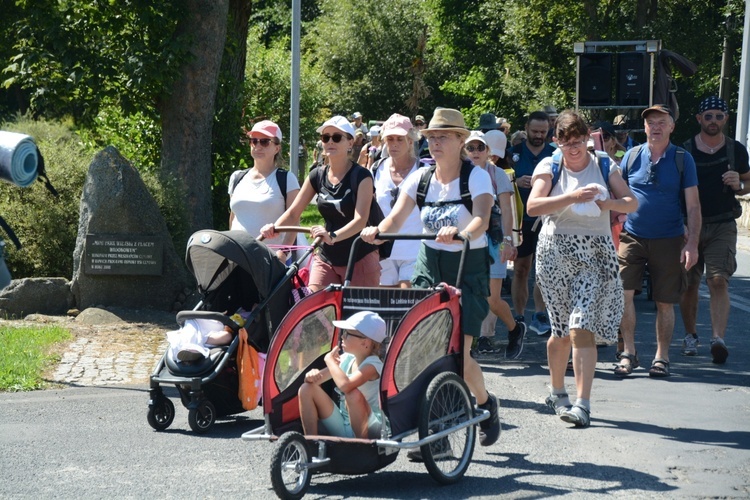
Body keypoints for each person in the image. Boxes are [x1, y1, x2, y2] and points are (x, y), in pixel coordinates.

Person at [361, 107, 501, 447]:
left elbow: (481, 218)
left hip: (468, 265)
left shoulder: (475, 176)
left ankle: (485, 403)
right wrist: (376, 232)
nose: (435, 143)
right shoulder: (421, 179)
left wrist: (463, 230)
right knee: (423, 348)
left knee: (460, 357)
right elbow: (395, 219)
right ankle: (434, 427)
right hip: (429, 264)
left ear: (460, 141)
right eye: (432, 137)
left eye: (443, 137)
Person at [527, 110, 638, 428]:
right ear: (556, 141)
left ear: (587, 138)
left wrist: (609, 203)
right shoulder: (550, 165)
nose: (574, 149)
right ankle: (556, 390)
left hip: (595, 257)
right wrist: (571, 196)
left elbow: (631, 202)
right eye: (567, 143)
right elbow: (534, 206)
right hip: (554, 257)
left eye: (578, 142)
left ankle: (583, 403)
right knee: (560, 332)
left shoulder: (603, 163)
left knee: (580, 327)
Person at [615, 105, 701, 378]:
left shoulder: (682, 159)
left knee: (665, 301)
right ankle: (629, 352)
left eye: (662, 122)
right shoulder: (630, 156)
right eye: (651, 122)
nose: (656, 127)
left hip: (669, 238)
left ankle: (661, 357)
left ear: (672, 127)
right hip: (632, 235)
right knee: (623, 294)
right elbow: (616, 198)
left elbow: (694, 206)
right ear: (645, 127)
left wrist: (692, 244)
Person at [260, 116, 380, 291]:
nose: (330, 141)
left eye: (336, 137)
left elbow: (360, 220)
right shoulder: (317, 175)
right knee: (315, 311)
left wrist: (332, 236)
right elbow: (294, 212)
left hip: (359, 256)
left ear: (350, 142)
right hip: (327, 257)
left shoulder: (362, 176)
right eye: (325, 137)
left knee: (359, 315)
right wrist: (273, 227)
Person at [679, 96, 750, 363]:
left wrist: (739, 186)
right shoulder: (685, 151)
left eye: (718, 116)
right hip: (689, 225)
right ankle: (690, 335)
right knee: (690, 283)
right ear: (699, 119)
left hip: (722, 223)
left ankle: (718, 338)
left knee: (718, 279)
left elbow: (747, 181)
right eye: (708, 116)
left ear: (726, 119)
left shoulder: (736, 150)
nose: (713, 121)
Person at [464, 131, 526, 359]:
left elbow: (507, 209)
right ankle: (468, 344)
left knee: (492, 298)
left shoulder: (497, 173)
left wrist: (509, 241)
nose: (476, 152)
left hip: (494, 240)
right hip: (468, 239)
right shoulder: (460, 173)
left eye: (480, 147)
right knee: (464, 294)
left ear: (488, 151)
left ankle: (514, 328)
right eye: (471, 148)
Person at [298, 311, 386, 438]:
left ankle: (363, 450)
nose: (342, 337)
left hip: (371, 429)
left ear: (365, 343)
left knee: (353, 395)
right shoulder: (348, 358)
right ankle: (310, 444)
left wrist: (329, 360)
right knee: (306, 389)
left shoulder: (373, 365)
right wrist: (310, 376)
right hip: (344, 423)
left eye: (347, 334)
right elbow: (314, 382)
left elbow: (346, 385)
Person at [510, 111, 556, 336]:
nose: (539, 135)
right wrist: (515, 182)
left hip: (547, 220)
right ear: (526, 127)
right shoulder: (513, 154)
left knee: (544, 270)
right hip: (521, 219)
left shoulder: (556, 154)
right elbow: (501, 181)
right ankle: (518, 316)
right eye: (535, 131)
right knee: (521, 269)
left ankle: (540, 314)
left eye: (543, 132)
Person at [228, 120, 300, 261]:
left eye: (265, 142)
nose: (258, 146)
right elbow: (234, 216)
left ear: (277, 148)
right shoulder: (237, 177)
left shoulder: (286, 179)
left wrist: (283, 253)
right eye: (254, 141)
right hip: (239, 257)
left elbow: (295, 220)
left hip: (271, 259)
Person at [371, 113, 424, 288]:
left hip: (414, 249)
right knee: (385, 304)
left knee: (406, 301)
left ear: (410, 140)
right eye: (390, 138)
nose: (394, 144)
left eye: (400, 139)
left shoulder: (424, 171)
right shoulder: (376, 169)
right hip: (383, 248)